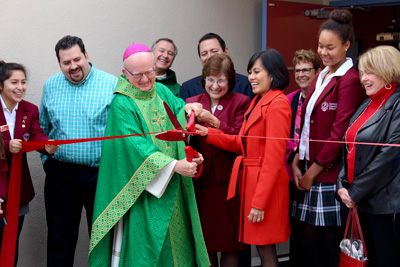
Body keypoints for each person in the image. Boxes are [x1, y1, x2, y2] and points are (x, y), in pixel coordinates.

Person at [88, 43, 210, 267]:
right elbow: (134, 147)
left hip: (174, 189)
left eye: (149, 72)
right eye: (138, 75)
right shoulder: (122, 103)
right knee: (148, 251)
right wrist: (174, 166)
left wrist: (188, 110)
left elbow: (178, 117)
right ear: (125, 74)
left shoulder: (161, 90)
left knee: (181, 248)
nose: (145, 80)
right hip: (143, 191)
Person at [196, 49, 291, 267]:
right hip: (252, 184)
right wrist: (209, 133)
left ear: (273, 74)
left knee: (266, 248)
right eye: (250, 72)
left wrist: (259, 202)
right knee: (262, 246)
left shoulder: (277, 103)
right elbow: (242, 143)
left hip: (264, 189)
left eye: (257, 72)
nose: (251, 77)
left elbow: (274, 159)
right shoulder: (259, 100)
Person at [291, 9, 365, 267]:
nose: (323, 52)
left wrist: (313, 170)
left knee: (328, 241)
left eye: (330, 47)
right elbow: (304, 122)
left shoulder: (350, 79)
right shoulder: (321, 75)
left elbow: (339, 133)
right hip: (309, 166)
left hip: (328, 171)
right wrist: (297, 161)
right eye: (320, 46)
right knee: (307, 239)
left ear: (346, 45)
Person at [39, 35, 117, 266]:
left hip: (99, 176)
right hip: (60, 176)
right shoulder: (50, 85)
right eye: (66, 62)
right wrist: (47, 160)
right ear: (59, 63)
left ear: (86, 55)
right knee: (59, 240)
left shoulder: (111, 84)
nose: (73, 66)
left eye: (77, 59)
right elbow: (42, 129)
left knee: (103, 239)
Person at [337, 45, 400, 267]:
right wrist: (342, 185)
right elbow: (348, 147)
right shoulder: (367, 103)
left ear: (387, 70)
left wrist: (355, 192)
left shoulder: (397, 103)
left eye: (369, 72)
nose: (363, 78)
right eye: (362, 73)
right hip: (358, 201)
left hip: (384, 206)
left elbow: (390, 155)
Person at [186, 54, 251, 266]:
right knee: (206, 240)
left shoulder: (241, 102)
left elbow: (240, 137)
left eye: (221, 80)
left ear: (230, 81)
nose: (215, 86)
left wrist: (213, 122)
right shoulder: (191, 103)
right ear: (204, 79)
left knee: (230, 241)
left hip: (229, 183)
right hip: (201, 181)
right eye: (211, 80)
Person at [0, 61, 58, 265]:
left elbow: (37, 136)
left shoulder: (30, 110)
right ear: (1, 85)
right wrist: (7, 145)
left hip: (17, 187)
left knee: (11, 243)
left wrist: (47, 146)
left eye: (23, 82)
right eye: (14, 82)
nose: (20, 87)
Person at [284, 49, 320, 266]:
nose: (301, 74)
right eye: (297, 70)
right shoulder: (289, 100)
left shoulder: (322, 99)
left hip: (317, 168)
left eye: (306, 70)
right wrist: (294, 156)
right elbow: (282, 136)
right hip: (290, 170)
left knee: (314, 233)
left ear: (318, 72)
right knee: (295, 226)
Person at [180, 33, 255, 101]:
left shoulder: (246, 84)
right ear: (200, 58)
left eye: (214, 51)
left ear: (225, 52)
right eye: (204, 53)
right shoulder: (188, 87)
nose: (210, 56)